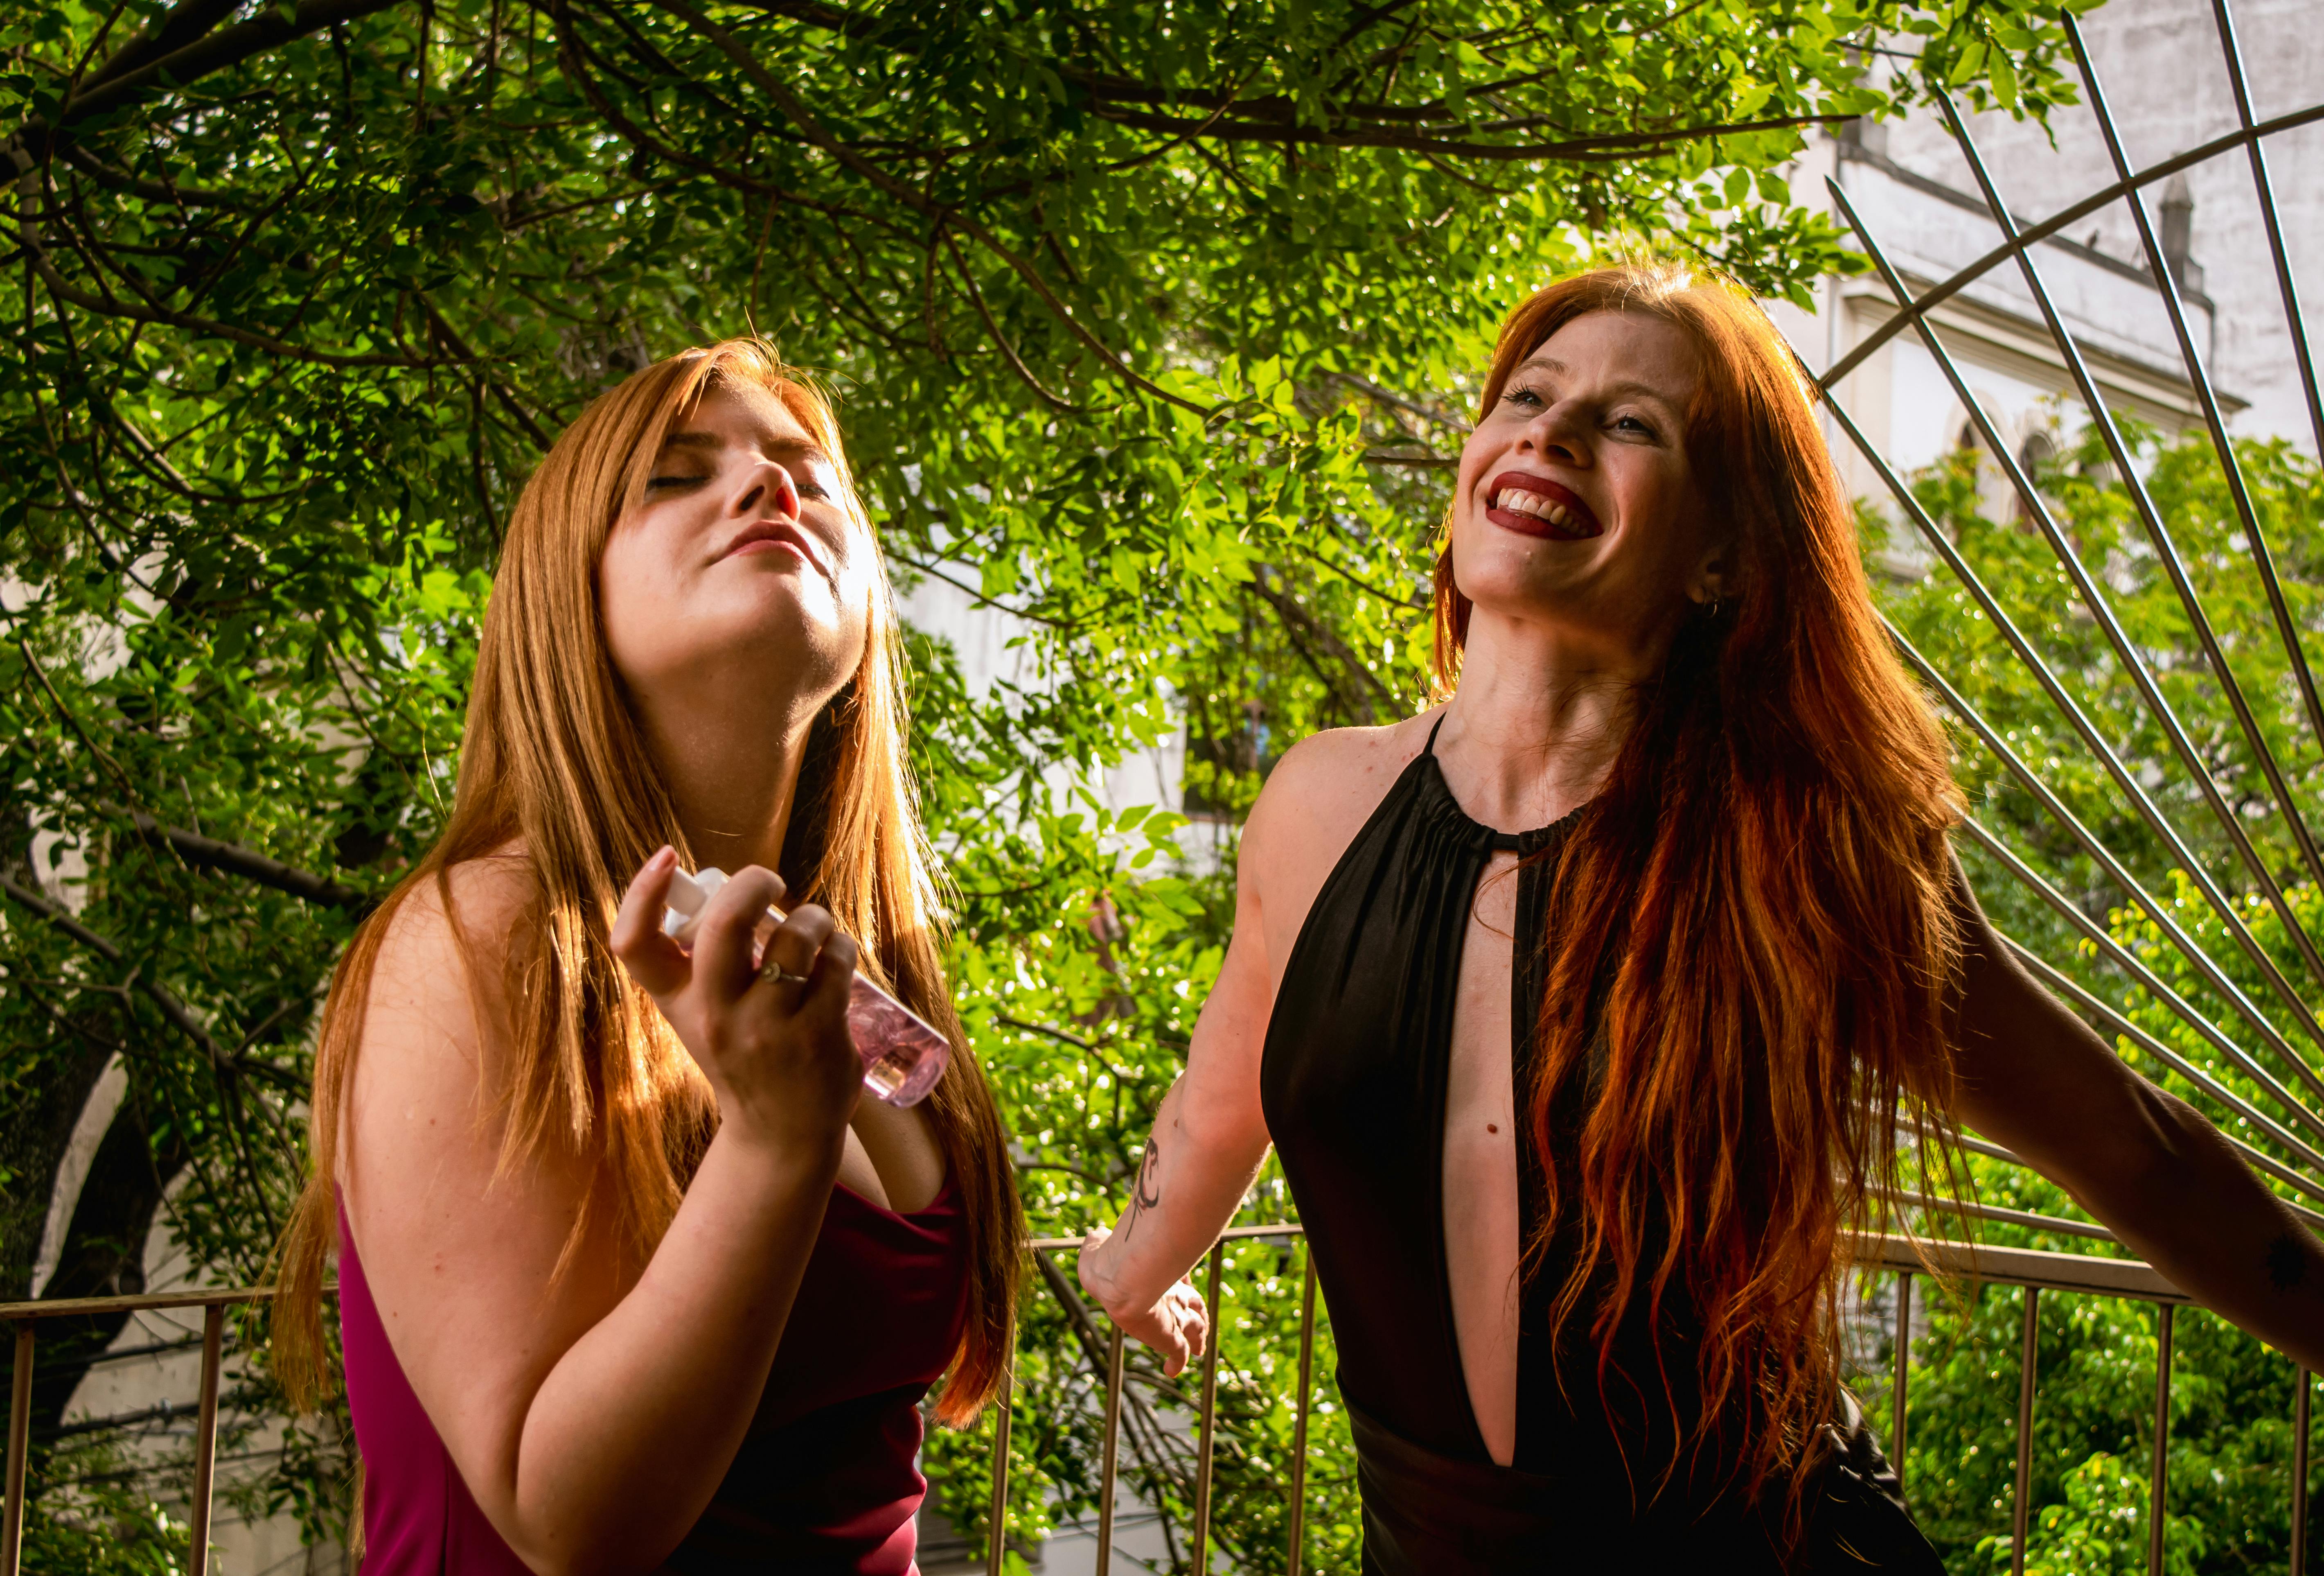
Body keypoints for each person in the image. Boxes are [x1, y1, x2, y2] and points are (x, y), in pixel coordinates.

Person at [1075, 262, 2324, 1570]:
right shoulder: (1316, 802)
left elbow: (2133, 1153)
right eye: (1528, 397)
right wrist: (1134, 1264)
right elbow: (1225, 1095)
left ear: (1724, 555)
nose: (1553, 432)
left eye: (1632, 423)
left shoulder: (1807, 846)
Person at [272, 340, 1023, 1576]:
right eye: (676, 476)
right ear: (565, 598)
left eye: (809, 476)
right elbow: (568, 1522)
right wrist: (774, 1143)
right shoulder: (478, 935)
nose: (771, 487)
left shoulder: (852, 965)